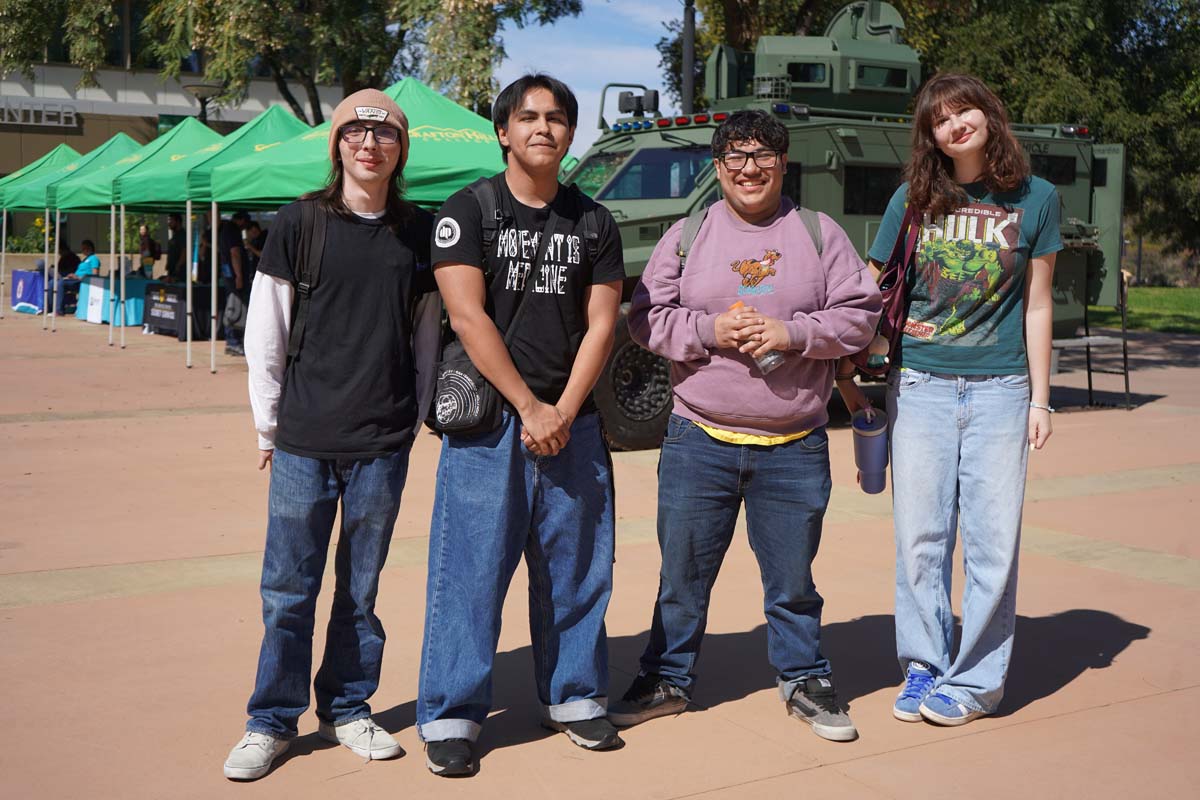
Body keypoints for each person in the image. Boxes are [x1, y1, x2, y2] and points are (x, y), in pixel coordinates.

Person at [609, 110, 881, 742]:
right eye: (735, 157)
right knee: (682, 578)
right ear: (718, 167)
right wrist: (709, 330)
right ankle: (666, 678)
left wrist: (794, 333)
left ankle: (805, 679)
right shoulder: (687, 235)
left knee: (792, 583)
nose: (749, 168)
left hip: (794, 444)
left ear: (783, 164)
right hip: (697, 439)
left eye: (762, 156)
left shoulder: (818, 234)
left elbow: (859, 317)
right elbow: (646, 320)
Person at [224, 88, 441, 781]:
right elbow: (266, 332)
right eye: (355, 134)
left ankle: (348, 707)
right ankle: (270, 720)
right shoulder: (299, 224)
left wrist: (419, 413)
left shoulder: (416, 233)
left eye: (384, 136)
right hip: (303, 442)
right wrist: (267, 424)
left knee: (362, 589)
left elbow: (430, 330)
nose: (369, 146)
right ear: (338, 145)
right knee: (288, 589)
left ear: (401, 150)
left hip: (382, 441)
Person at [416, 73, 626, 776]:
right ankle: (452, 712)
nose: (544, 127)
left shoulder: (594, 222)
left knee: (577, 571)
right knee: (468, 571)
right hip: (489, 425)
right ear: (502, 131)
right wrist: (529, 408)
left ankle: (573, 696)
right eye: (529, 117)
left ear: (571, 134)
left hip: (575, 425)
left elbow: (603, 324)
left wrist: (563, 410)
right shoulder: (468, 210)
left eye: (558, 118)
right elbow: (466, 316)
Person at [838, 73, 1061, 726]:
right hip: (921, 385)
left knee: (993, 542)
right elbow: (870, 289)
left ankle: (976, 683)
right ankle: (924, 666)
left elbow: (1039, 304)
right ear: (929, 135)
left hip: (1001, 390)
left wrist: (1041, 401)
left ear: (989, 115)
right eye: (941, 119)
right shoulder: (913, 198)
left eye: (965, 111)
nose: (956, 125)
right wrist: (842, 350)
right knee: (921, 539)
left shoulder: (1038, 198)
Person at [219, 211, 250, 355]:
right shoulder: (232, 231)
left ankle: (233, 341)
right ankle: (233, 342)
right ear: (241, 220)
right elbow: (235, 253)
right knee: (236, 308)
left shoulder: (226, 229)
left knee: (233, 306)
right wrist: (239, 275)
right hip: (234, 277)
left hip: (229, 276)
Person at [164, 213, 186, 282]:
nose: (169, 223)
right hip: (172, 271)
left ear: (178, 222)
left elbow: (184, 251)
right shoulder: (175, 235)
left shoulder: (182, 235)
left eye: (171, 220)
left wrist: (178, 266)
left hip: (179, 273)